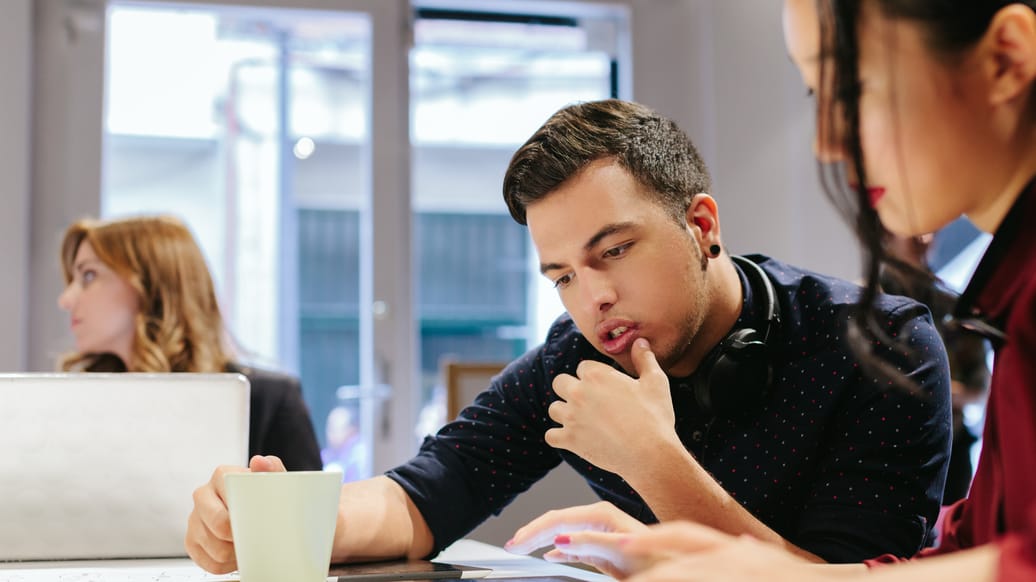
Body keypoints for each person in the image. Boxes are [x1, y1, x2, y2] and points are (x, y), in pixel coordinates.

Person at [184, 99, 952, 573]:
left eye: (614, 251)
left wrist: (654, 463)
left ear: (702, 224)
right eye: (562, 276)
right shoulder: (582, 355)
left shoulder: (879, 349)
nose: (595, 299)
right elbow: (426, 495)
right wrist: (280, 520)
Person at [535, 1, 1036, 581]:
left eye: (851, 91)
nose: (825, 142)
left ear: (1006, 58)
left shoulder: (889, 336)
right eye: (813, 95)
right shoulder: (1013, 294)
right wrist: (725, 560)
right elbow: (979, 550)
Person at [58, 215, 323, 471]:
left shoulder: (267, 403)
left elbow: (314, 515)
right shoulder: (87, 408)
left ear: (152, 284)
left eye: (89, 276)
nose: (66, 300)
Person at [880, 233, 990, 505]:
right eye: (913, 230)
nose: (924, 238)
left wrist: (932, 389)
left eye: (931, 230)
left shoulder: (957, 307)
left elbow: (980, 389)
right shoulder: (862, 302)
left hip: (951, 450)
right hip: (886, 450)